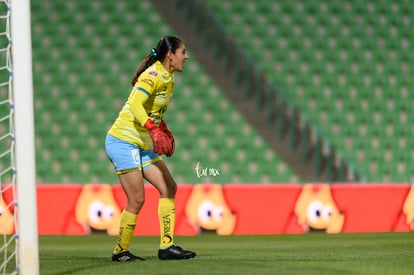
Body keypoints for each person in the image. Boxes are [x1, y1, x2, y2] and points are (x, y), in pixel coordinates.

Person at [105, 36, 196, 261]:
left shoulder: (168, 77)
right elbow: (135, 104)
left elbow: (152, 109)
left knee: (169, 188)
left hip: (142, 142)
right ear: (170, 55)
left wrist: (162, 127)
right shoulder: (153, 75)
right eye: (183, 52)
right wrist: (152, 129)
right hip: (123, 141)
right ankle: (120, 251)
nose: (186, 56)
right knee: (137, 199)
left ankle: (167, 247)